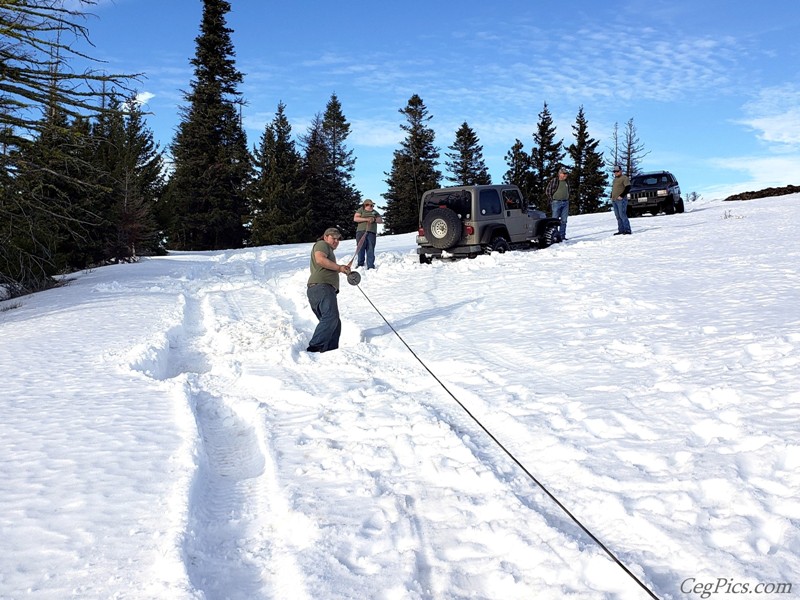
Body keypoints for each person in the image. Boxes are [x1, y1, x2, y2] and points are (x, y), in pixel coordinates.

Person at [306, 227, 351, 353]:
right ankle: (315, 347)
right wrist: (339, 268)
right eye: (333, 238)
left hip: (319, 289)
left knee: (334, 323)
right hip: (322, 287)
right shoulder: (322, 244)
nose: (336, 241)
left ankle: (330, 351)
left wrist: (341, 269)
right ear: (326, 237)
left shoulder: (329, 249)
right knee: (331, 317)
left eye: (338, 239)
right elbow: (320, 259)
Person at [353, 199, 383, 269]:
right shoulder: (361, 210)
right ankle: (360, 264)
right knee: (360, 248)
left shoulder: (375, 212)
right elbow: (355, 218)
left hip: (371, 232)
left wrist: (374, 219)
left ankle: (370, 266)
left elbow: (380, 220)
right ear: (364, 205)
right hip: (361, 231)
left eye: (372, 205)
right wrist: (366, 219)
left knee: (370, 249)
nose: (370, 206)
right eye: (368, 205)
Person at [546, 167, 570, 240]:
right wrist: (552, 199)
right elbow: (548, 190)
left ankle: (562, 236)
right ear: (560, 174)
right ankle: (554, 235)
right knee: (555, 220)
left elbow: (569, 190)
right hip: (556, 202)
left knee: (564, 220)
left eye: (566, 174)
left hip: (565, 202)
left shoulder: (567, 182)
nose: (565, 175)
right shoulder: (554, 181)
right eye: (564, 174)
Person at [610, 165, 632, 235]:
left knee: (622, 215)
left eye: (617, 171)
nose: (616, 173)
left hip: (621, 200)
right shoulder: (615, 180)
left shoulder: (624, 178)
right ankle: (621, 230)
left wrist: (622, 196)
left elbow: (628, 187)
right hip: (614, 200)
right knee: (618, 216)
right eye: (615, 172)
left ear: (620, 171)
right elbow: (613, 189)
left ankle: (627, 230)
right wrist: (611, 196)